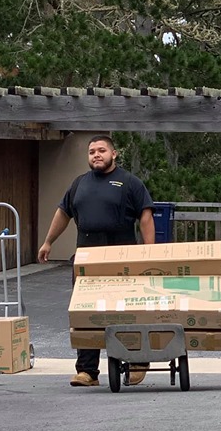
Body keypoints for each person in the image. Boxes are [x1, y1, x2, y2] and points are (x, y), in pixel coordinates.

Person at [37, 135, 155, 388]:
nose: (96, 155)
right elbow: (63, 213)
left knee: (127, 310)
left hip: (122, 253)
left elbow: (145, 216)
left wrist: (149, 252)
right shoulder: (79, 183)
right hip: (87, 256)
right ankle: (87, 371)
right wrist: (48, 242)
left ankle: (136, 362)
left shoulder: (130, 182)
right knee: (86, 311)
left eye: (102, 150)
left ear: (114, 154)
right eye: (92, 152)